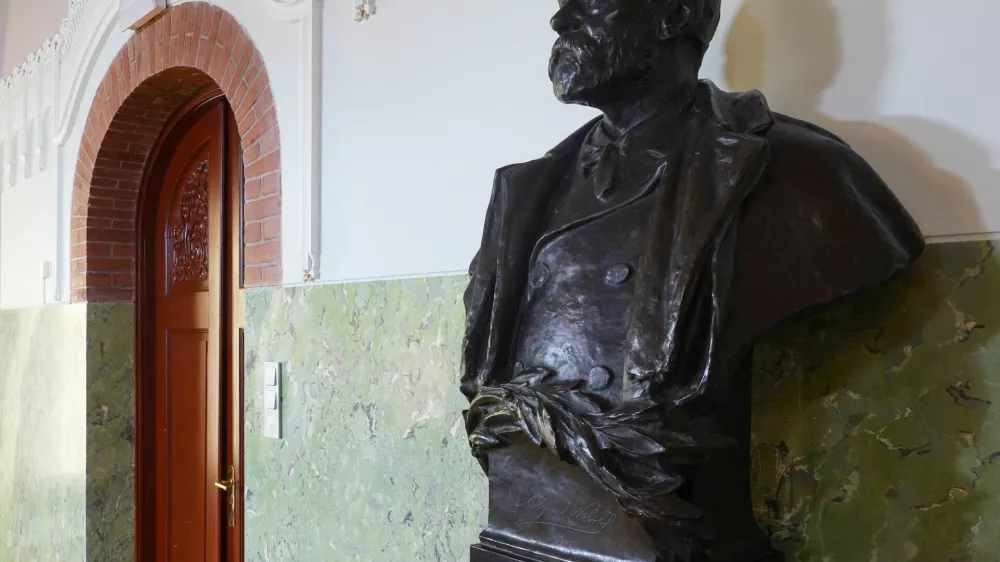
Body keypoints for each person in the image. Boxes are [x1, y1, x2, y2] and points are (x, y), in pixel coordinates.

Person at [460, 0, 924, 560]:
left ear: (672, 14)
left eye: (592, 2)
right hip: (528, 534)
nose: (562, 20)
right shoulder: (527, 191)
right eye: (562, 4)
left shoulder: (804, 175)